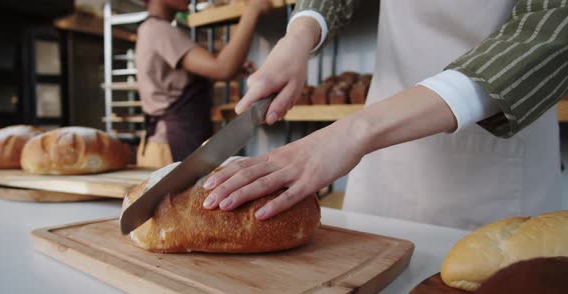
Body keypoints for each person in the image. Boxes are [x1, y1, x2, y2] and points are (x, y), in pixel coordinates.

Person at [201, 0, 568, 230]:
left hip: (492, 177)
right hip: (379, 167)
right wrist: (300, 34)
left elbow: (551, 31)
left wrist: (357, 131)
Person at [136, 0, 270, 167]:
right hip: (170, 147)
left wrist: (225, 71)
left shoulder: (150, 29)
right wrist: (252, 11)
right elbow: (222, 68)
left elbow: (182, 85)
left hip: (164, 146)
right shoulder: (159, 30)